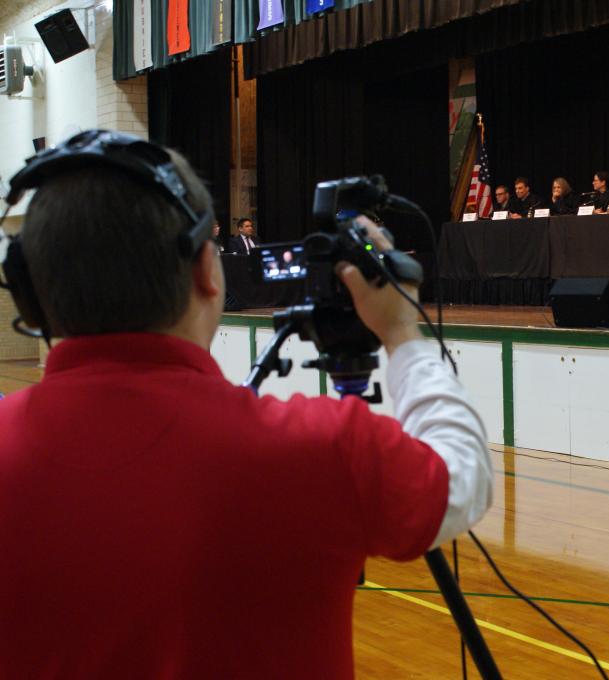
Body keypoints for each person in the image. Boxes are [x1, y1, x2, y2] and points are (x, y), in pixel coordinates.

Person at [0, 131, 492, 678]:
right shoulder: (316, 447)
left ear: (32, 293)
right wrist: (402, 331)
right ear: (207, 273)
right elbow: (463, 475)